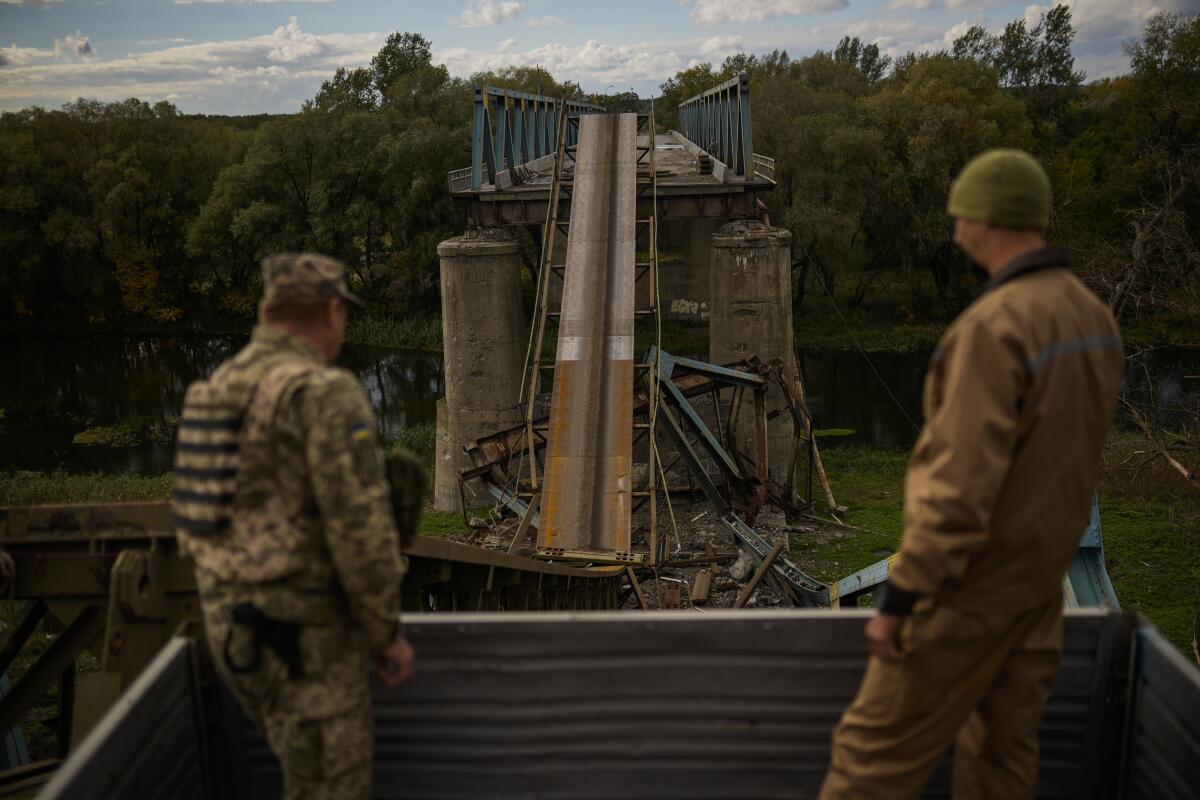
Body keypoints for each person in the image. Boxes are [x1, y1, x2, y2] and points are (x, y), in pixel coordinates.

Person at [820, 150, 1124, 799]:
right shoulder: (1091, 317)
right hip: (1038, 593)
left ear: (986, 219)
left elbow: (958, 487)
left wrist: (901, 598)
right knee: (1001, 760)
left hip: (967, 593)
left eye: (961, 212)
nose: (955, 227)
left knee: (870, 759)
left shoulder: (994, 327)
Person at [171, 252, 414, 799]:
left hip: (231, 634)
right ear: (332, 311)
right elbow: (360, 529)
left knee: (300, 772)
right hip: (302, 640)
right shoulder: (322, 392)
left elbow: (200, 521)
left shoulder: (217, 387)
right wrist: (385, 635)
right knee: (330, 788)